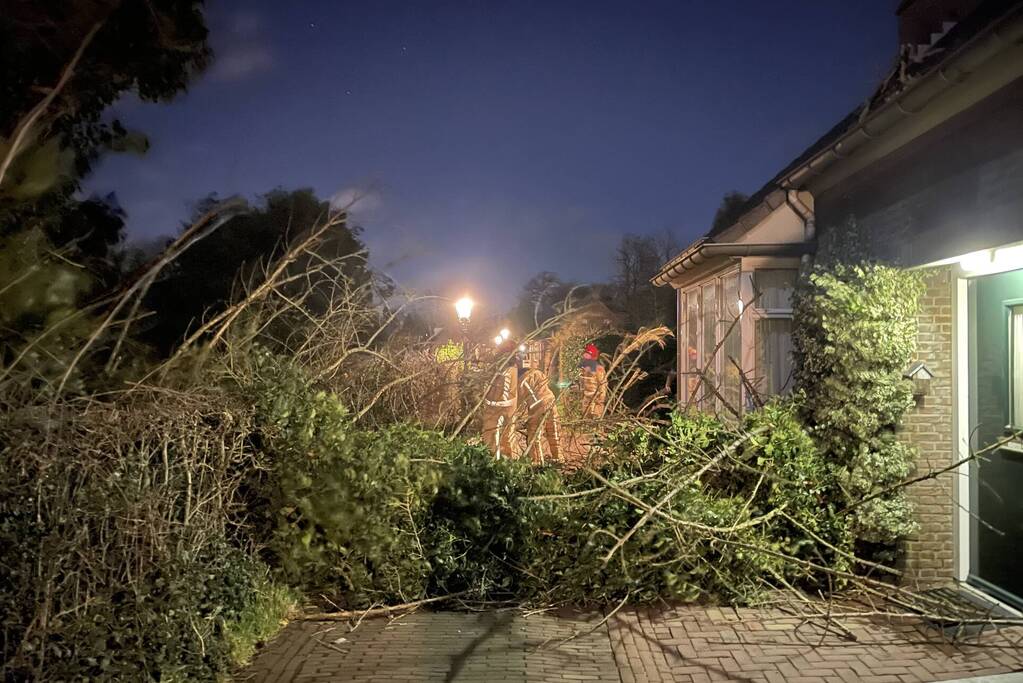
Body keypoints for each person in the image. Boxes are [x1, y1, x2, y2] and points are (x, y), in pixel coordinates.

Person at [517, 364, 561, 465]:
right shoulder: (538, 373)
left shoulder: (521, 381)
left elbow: (519, 403)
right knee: (553, 431)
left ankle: (537, 461)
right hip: (551, 401)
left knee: (534, 435)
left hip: (538, 406)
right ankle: (558, 457)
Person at [482, 354, 519, 459]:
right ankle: (509, 459)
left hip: (500, 408)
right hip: (505, 407)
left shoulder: (507, 372)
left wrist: (491, 403)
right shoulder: (510, 370)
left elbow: (505, 394)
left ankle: (495, 460)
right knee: (507, 435)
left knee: (493, 433)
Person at [578, 343, 608, 419]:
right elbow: (582, 385)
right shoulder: (583, 370)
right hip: (586, 400)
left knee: (596, 419)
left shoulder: (599, 369)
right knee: (586, 420)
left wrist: (600, 399)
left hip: (596, 400)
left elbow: (602, 385)